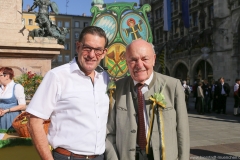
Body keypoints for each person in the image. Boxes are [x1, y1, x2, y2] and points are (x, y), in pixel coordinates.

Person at [26, 26, 109, 160]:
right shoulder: (57, 76)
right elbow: (34, 121)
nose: (92, 55)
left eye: (98, 50)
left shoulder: (104, 78)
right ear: (78, 47)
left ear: (104, 52)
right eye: (87, 48)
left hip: (99, 157)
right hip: (68, 157)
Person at [105, 39, 190, 160]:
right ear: (126, 62)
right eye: (133, 60)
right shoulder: (116, 89)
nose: (139, 65)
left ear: (154, 59)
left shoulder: (173, 86)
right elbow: (109, 133)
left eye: (145, 59)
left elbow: (182, 131)